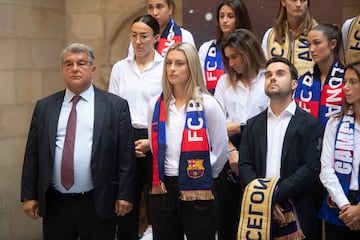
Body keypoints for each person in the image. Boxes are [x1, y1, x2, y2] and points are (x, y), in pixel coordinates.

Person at [21, 43, 136, 240]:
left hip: (98, 201)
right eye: (68, 64)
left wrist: (125, 194)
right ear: (62, 70)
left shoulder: (115, 106)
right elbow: (32, 154)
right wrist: (29, 194)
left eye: (81, 63)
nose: (74, 68)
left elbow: (126, 156)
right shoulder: (45, 107)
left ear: (92, 69)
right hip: (55, 203)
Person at [147, 42, 228, 240]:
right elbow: (153, 144)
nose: (172, 69)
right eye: (169, 63)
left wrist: (204, 173)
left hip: (198, 185)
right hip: (164, 187)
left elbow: (221, 149)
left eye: (179, 63)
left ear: (191, 66)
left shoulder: (208, 104)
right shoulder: (155, 105)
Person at [238, 56, 324, 239]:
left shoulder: (311, 124)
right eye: (268, 74)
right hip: (258, 213)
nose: (272, 78)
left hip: (297, 210)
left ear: (294, 84)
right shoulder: (252, 125)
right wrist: (264, 199)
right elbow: (245, 165)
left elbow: (310, 169)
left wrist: (272, 196)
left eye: (280, 73)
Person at [109, 15, 163, 240]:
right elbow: (112, 108)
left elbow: (168, 107)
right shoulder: (120, 68)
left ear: (156, 38)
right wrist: (124, 143)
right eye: (134, 36)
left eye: (144, 36)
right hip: (126, 136)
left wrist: (152, 141)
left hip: (156, 136)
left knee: (157, 204)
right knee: (125, 202)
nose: (138, 41)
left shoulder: (164, 66)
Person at [213, 28, 269, 240]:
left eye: (235, 57)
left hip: (261, 148)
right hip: (229, 150)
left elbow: (270, 119)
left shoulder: (267, 78)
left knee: (257, 215)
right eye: (228, 58)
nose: (232, 63)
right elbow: (215, 124)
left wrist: (236, 126)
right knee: (228, 217)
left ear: (249, 51)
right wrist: (231, 149)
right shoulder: (223, 82)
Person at [318, 61, 360, 239]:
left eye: (353, 82)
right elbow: (326, 169)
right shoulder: (334, 123)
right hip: (339, 203)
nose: (345, 87)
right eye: (344, 82)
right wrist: (345, 205)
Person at [294, 23, 345, 127]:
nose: (311, 49)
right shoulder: (303, 80)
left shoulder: (347, 78)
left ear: (332, 44)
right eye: (309, 44)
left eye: (317, 43)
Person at [198, 0, 252, 94]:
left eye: (230, 16)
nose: (225, 20)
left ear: (240, 18)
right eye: (221, 16)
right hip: (212, 104)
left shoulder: (251, 48)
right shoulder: (206, 49)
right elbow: (200, 84)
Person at [262, 0, 317, 76]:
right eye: (294, 0)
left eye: (303, 0)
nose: (298, 4)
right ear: (283, 2)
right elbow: (265, 71)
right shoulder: (270, 35)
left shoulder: (318, 35)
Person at [128, 0, 195, 58]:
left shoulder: (185, 36)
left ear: (170, 8)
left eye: (159, 7)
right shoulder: (138, 38)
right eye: (150, 7)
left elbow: (193, 69)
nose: (154, 13)